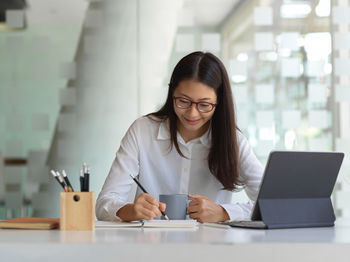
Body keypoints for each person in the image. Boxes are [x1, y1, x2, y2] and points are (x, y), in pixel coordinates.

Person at [96, 51, 263, 223]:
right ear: (172, 93)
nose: (192, 113)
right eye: (183, 101)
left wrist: (224, 212)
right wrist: (129, 210)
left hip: (211, 247)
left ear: (218, 102)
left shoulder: (233, 141)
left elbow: (272, 204)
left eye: (204, 105)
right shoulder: (143, 131)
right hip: (151, 245)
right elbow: (104, 203)